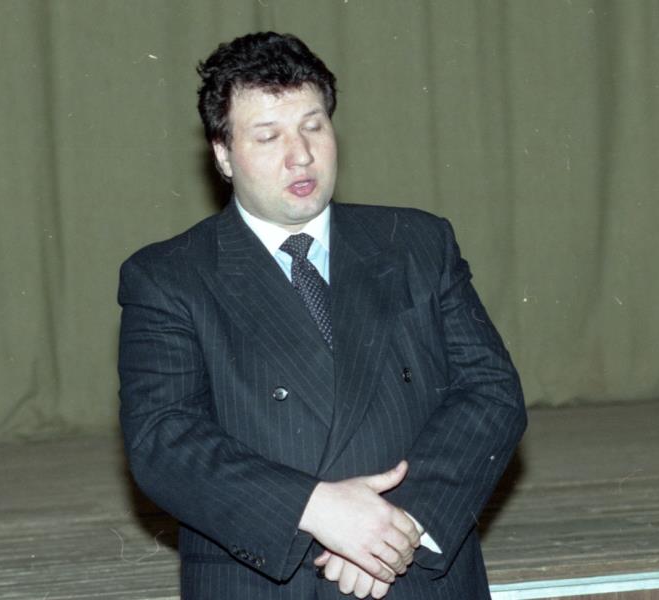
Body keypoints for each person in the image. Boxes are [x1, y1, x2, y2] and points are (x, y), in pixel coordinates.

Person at [118, 31, 527, 600]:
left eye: (313, 126)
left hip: (416, 571)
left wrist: (398, 529)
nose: (301, 155)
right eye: (269, 136)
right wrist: (317, 509)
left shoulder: (417, 242)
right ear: (223, 154)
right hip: (267, 579)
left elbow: (491, 391)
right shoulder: (169, 276)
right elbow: (164, 439)